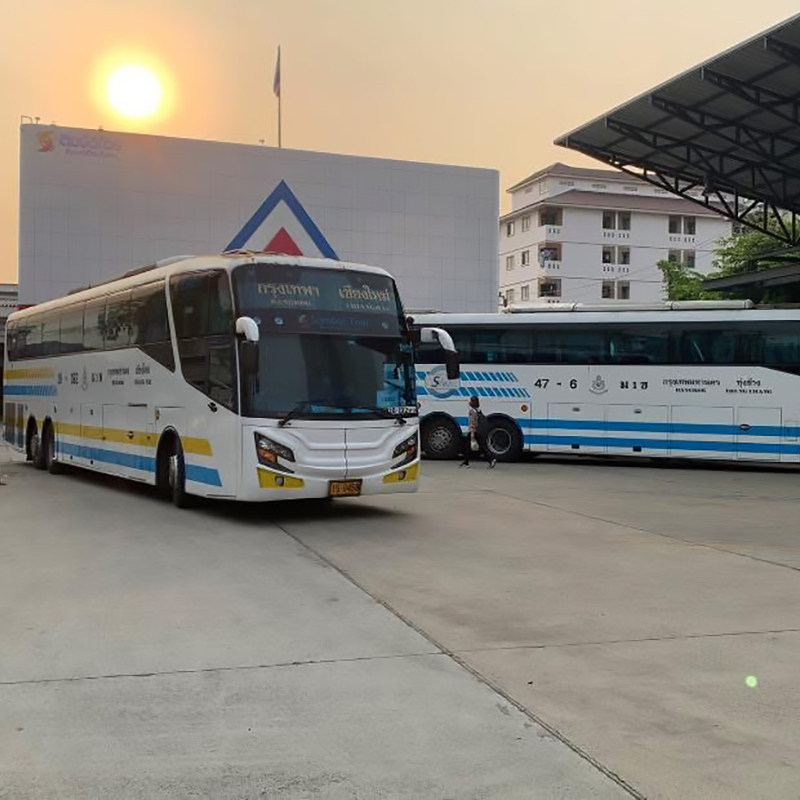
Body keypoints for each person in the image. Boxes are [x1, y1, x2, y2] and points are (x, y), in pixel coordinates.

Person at [461, 395, 496, 468]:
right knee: (468, 446)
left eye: (471, 401)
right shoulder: (478, 410)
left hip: (474, 431)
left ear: (473, 402)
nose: (469, 402)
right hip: (478, 430)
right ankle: (466, 461)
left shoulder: (472, 411)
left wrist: (472, 433)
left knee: (479, 447)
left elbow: (473, 423)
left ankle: (491, 460)